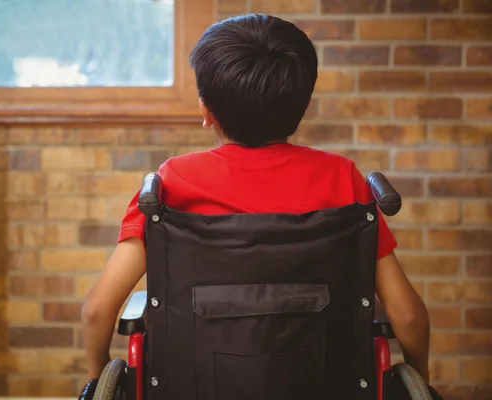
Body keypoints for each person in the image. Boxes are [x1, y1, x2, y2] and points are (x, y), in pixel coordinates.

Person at [79, 14, 432, 399]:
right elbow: (408, 315)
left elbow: (98, 310)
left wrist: (97, 379)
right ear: (302, 105)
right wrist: (421, 377)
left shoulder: (172, 184)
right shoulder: (342, 179)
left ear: (206, 109)